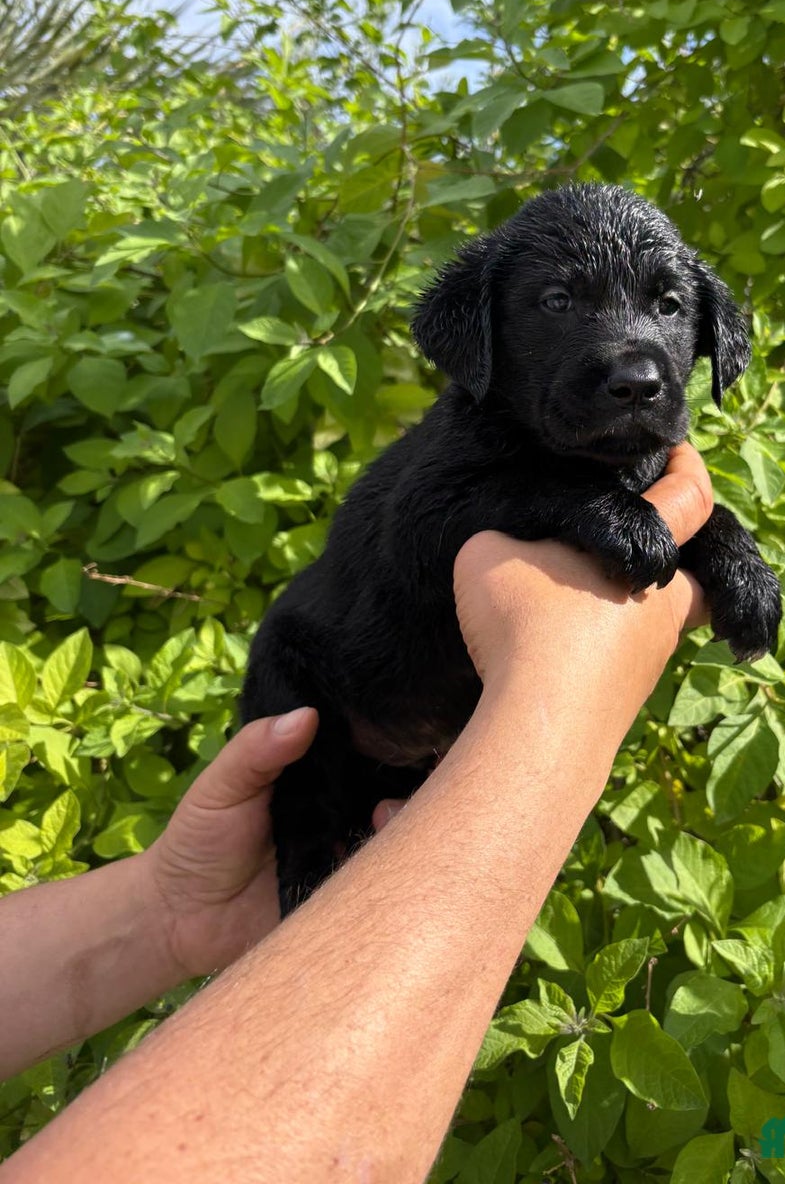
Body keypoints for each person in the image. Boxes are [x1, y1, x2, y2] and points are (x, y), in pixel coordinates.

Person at [0, 442, 714, 1183]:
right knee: (303, 767)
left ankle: (289, 882)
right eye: (558, 311)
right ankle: (306, 860)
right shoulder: (469, 447)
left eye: (666, 312)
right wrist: (555, 719)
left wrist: (173, 906)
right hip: (342, 691)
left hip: (394, 749)